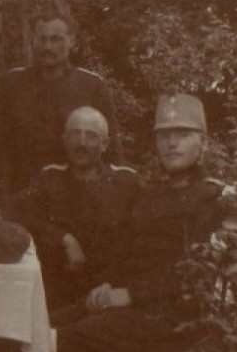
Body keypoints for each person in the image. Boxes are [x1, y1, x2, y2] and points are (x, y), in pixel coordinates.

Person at [42, 94, 229, 352]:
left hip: (171, 316)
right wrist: (107, 284)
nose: (171, 143)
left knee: (56, 342)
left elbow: (199, 274)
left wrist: (129, 295)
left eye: (182, 135)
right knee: (32, 330)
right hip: (127, 307)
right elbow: (126, 250)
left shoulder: (213, 198)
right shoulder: (148, 192)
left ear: (203, 144)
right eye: (163, 135)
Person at [9, 106, 142, 309]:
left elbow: (140, 239)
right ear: (64, 139)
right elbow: (19, 213)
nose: (81, 143)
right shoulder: (50, 177)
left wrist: (114, 283)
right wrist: (64, 238)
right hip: (55, 288)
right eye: (74, 134)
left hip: (107, 290)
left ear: (105, 144)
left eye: (91, 136)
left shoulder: (126, 182)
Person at [0, 3, 119, 197]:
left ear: (71, 41)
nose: (48, 47)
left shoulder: (92, 87)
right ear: (33, 41)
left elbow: (111, 153)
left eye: (56, 39)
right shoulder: (12, 84)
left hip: (74, 197)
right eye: (42, 39)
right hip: (21, 194)